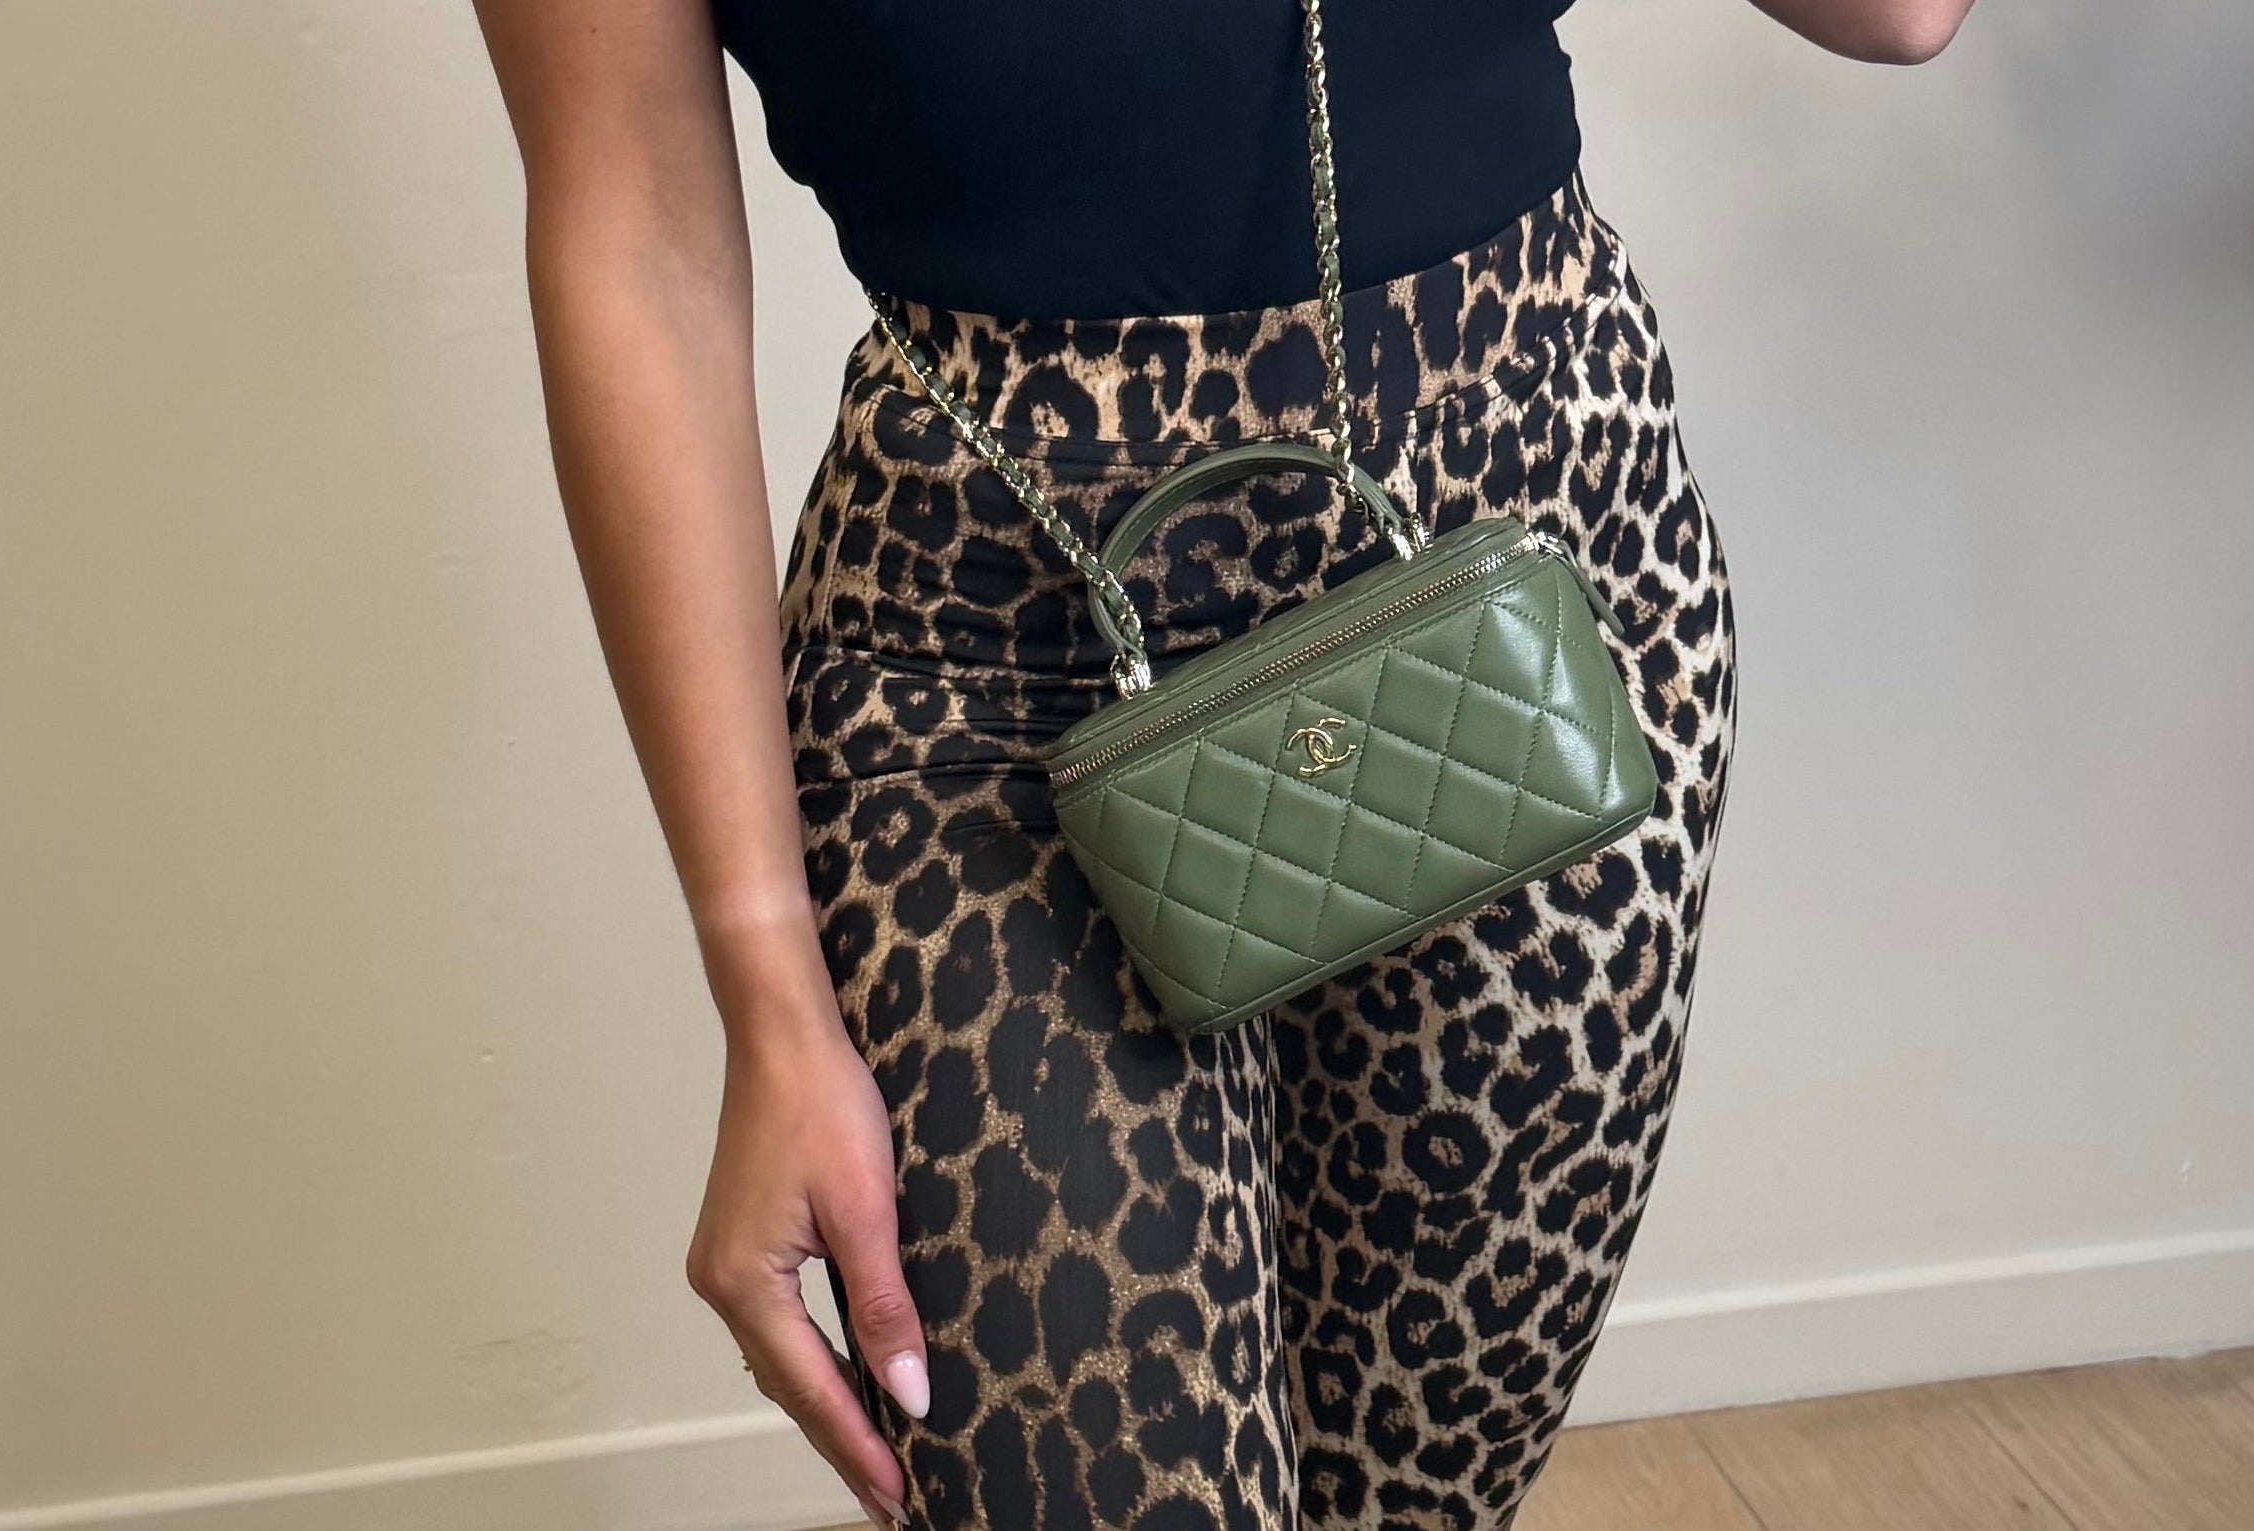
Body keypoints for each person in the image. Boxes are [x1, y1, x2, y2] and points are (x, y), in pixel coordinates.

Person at [469, 1, 1967, 1526]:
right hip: (985, 665)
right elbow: (634, 244)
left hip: (1513, 581)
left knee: (1414, 1497)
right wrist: (764, 985)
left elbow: (1896, 15)